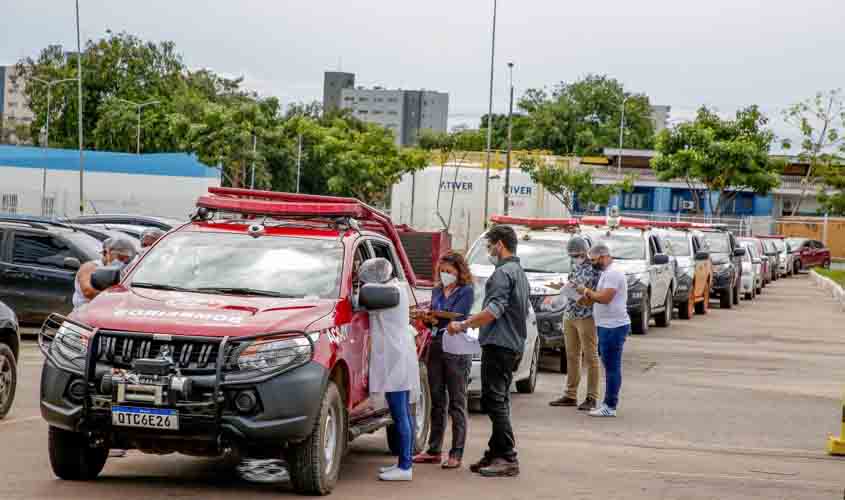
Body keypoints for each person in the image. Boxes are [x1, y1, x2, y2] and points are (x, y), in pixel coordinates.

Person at [447, 225, 529, 478]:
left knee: (494, 401)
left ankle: (507, 457)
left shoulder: (503, 274)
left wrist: (463, 324)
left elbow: (494, 310)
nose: (488, 251)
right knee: (498, 399)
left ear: (500, 245)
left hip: (500, 345)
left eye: (489, 245)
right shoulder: (518, 272)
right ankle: (496, 452)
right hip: (511, 344)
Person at [413, 252, 474, 469]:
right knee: (437, 399)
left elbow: (458, 316)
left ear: (459, 271)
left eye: (449, 271)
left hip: (456, 347)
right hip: (437, 345)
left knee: (457, 401)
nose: (445, 275)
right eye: (442, 271)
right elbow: (435, 320)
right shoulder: (437, 290)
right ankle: (434, 449)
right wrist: (428, 318)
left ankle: (456, 452)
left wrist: (437, 315)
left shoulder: (466, 291)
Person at [361, 258, 420, 482]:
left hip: (395, 360)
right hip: (397, 356)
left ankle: (405, 467)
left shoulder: (389, 293)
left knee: (399, 413)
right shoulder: (396, 287)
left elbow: (362, 300)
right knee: (402, 411)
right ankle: (403, 463)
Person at [578, 242, 630, 418]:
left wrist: (586, 291)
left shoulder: (613, 273)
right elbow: (600, 297)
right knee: (609, 366)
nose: (593, 263)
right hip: (607, 325)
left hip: (613, 326)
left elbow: (606, 298)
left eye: (594, 260)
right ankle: (609, 404)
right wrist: (586, 298)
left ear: (604, 256)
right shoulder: (606, 273)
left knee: (612, 368)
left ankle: (610, 405)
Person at [549, 236, 601, 411]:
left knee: (591, 357)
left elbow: (594, 295)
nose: (576, 257)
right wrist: (564, 287)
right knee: (572, 356)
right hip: (570, 314)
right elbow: (572, 283)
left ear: (586, 252)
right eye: (572, 255)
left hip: (586, 316)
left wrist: (582, 295)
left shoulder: (595, 270)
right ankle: (570, 395)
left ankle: (591, 397)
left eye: (578, 254)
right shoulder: (575, 266)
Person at [72, 237, 136, 309]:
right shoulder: (91, 267)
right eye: (120, 257)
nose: (123, 262)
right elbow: (88, 292)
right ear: (107, 253)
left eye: (127, 261)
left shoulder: (121, 271)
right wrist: (117, 298)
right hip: (85, 313)